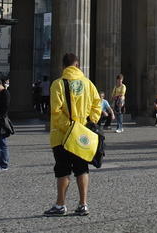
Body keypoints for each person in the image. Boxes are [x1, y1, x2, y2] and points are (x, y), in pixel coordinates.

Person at [43, 52, 102, 217]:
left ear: (63, 67)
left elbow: (55, 111)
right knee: (82, 169)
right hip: (82, 135)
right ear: (77, 66)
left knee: (62, 170)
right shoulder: (88, 84)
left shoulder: (58, 84)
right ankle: (83, 204)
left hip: (62, 136)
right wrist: (91, 122)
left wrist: (69, 127)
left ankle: (60, 205)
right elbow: (98, 104)